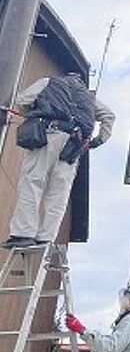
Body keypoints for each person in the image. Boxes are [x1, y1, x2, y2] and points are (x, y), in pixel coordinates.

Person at [1, 73, 115, 249]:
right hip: (74, 144)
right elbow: (109, 115)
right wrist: (98, 140)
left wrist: (31, 114)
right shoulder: (90, 98)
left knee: (33, 182)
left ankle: (23, 234)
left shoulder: (49, 82)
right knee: (59, 192)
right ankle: (47, 237)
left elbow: (22, 100)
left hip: (49, 134)